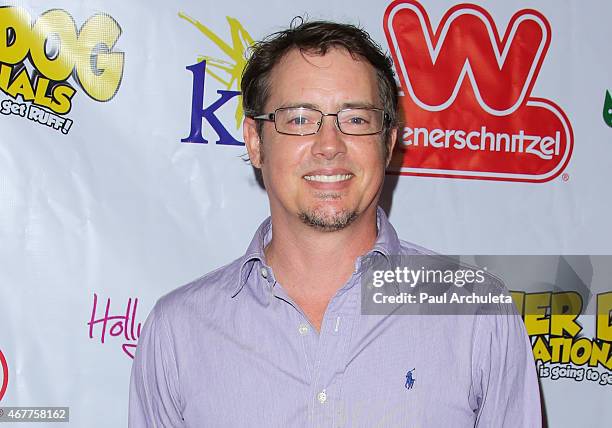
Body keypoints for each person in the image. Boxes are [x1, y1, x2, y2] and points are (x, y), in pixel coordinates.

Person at [129, 19, 541, 427]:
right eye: (300, 119)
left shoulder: (479, 316)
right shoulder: (177, 333)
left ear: (388, 142)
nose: (329, 145)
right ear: (255, 142)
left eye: (356, 119)